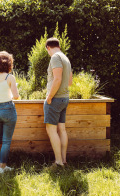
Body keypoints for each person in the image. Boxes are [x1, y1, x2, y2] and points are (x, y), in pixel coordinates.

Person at [44, 37, 72, 168]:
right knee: (62, 129)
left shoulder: (55, 57)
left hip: (55, 99)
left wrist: (49, 97)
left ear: (48, 48)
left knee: (51, 130)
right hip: (64, 98)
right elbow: (69, 82)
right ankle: (64, 160)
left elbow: (57, 79)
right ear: (59, 46)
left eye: (47, 51)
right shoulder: (66, 58)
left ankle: (58, 162)